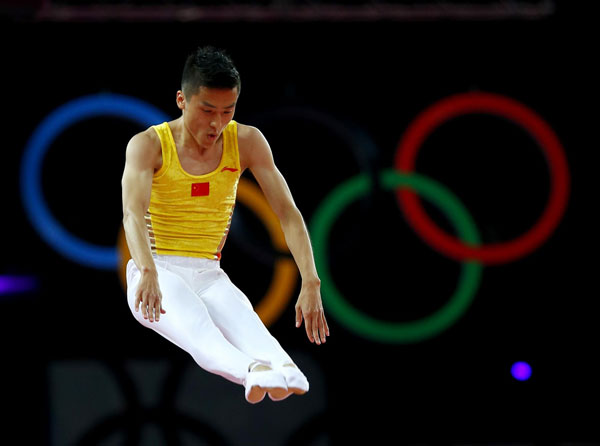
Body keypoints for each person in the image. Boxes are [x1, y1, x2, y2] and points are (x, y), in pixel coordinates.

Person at [121, 46, 329, 404]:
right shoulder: (149, 145)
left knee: (246, 321)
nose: (216, 123)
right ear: (181, 100)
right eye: (207, 111)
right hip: (154, 271)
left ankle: (283, 367)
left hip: (209, 272)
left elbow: (288, 214)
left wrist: (310, 280)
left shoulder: (246, 141)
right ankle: (251, 370)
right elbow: (132, 215)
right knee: (199, 330)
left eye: (227, 111)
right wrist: (148, 270)